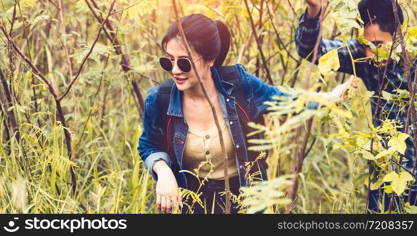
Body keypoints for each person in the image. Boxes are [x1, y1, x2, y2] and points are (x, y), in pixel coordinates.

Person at [138, 13, 350, 214]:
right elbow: (148, 145)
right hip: (189, 199)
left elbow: (286, 101)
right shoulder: (160, 99)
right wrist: (163, 170)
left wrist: (331, 97)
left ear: (210, 59)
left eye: (184, 62)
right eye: (168, 61)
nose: (175, 70)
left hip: (244, 197)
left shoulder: (240, 85)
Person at [296, 0, 417, 213]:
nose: (371, 53)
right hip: (386, 178)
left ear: (399, 37)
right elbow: (310, 50)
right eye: (366, 44)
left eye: (378, 44)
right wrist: (314, 12)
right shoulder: (363, 57)